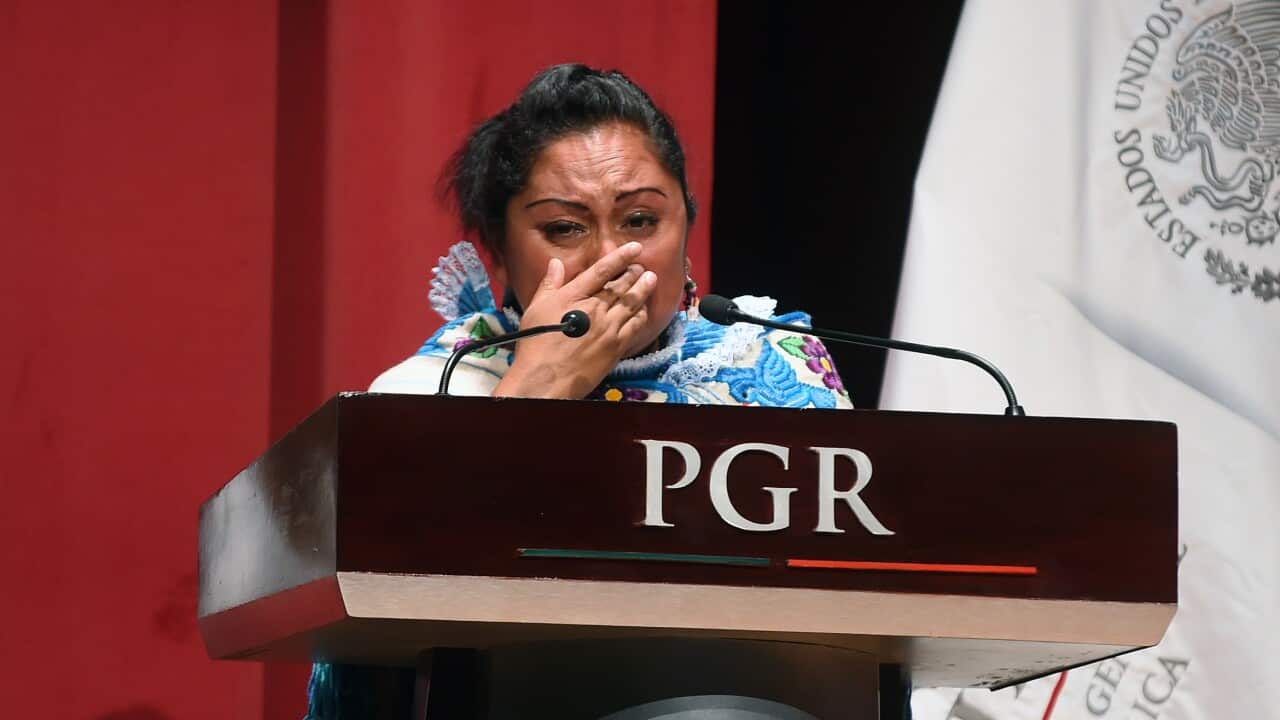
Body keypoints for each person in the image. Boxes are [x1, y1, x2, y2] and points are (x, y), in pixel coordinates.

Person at [305, 63, 857, 720]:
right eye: (566, 228)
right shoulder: (431, 390)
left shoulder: (780, 364)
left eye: (642, 220)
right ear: (499, 256)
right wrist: (542, 384)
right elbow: (384, 624)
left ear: (688, 230)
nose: (611, 257)